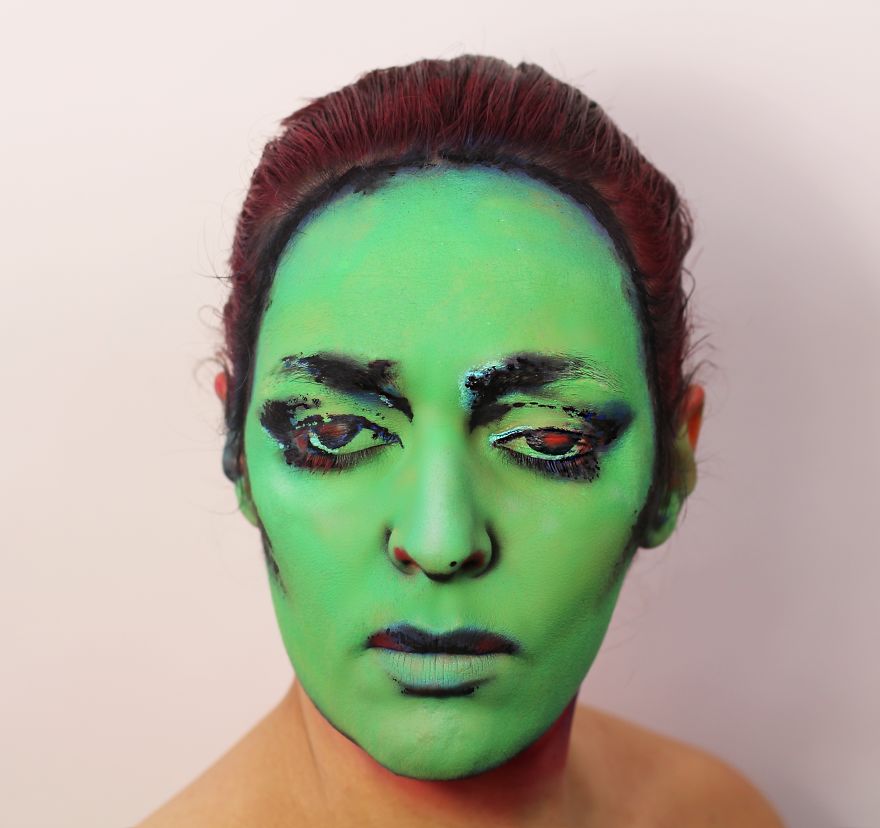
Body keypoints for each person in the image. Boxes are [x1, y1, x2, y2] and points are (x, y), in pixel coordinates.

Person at [139, 55, 783, 827]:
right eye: (335, 433)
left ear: (672, 469)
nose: (440, 541)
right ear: (240, 457)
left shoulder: (721, 813)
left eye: (548, 438)